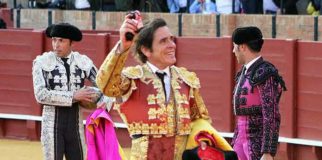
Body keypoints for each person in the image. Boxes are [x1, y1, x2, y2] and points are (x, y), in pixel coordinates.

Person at [96, 11, 233, 159]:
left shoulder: (186, 79)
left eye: (171, 39)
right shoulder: (132, 78)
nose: (172, 45)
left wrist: (203, 140)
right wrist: (122, 46)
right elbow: (106, 85)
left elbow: (200, 119)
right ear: (146, 50)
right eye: (163, 41)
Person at [32, 23, 99, 160]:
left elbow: (102, 84)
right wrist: (74, 96)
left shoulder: (83, 62)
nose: (56, 45)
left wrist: (101, 99)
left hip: (75, 125)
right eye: (54, 40)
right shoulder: (42, 62)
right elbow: (40, 95)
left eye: (61, 40)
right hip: (52, 126)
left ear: (71, 42)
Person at [231, 26, 286, 160]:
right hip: (240, 138)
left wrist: (268, 151)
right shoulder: (243, 73)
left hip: (257, 141)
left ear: (243, 47)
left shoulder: (265, 72)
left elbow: (271, 114)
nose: (233, 51)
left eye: (235, 46)